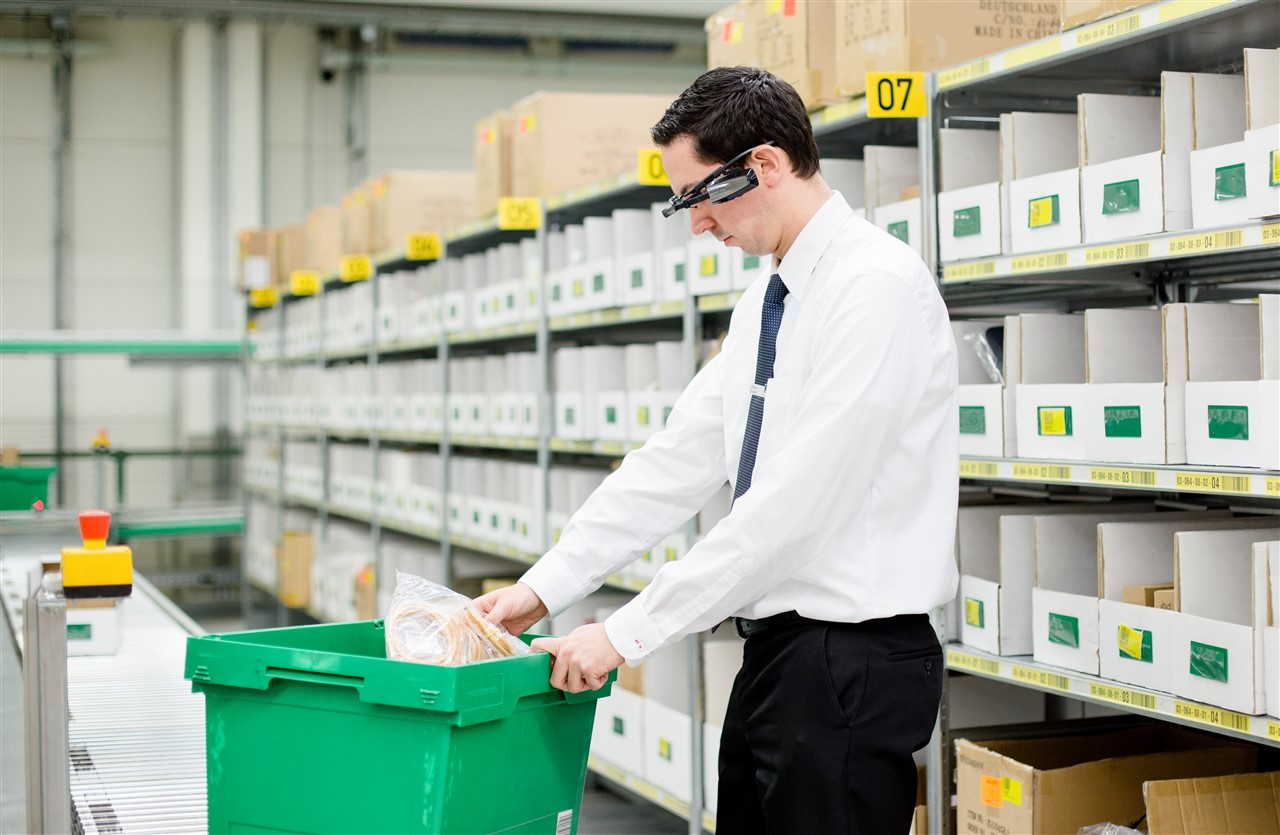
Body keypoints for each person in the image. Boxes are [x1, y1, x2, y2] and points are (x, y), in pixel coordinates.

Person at [476, 65, 959, 834]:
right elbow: (675, 462)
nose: (697, 222)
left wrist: (624, 633)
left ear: (764, 164)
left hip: (852, 665)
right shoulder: (766, 301)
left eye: (699, 195)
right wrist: (544, 588)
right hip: (779, 656)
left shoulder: (875, 288)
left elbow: (792, 511)